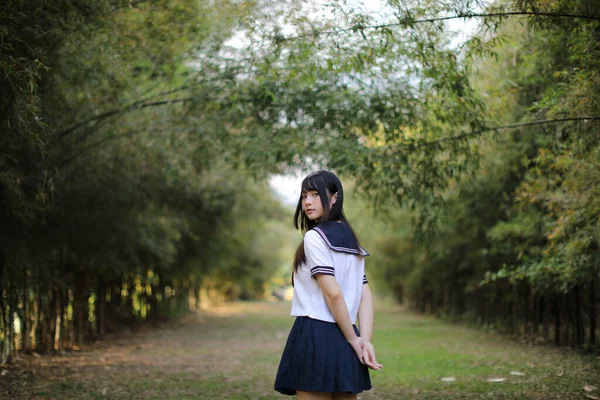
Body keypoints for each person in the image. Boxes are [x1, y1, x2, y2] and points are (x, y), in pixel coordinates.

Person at [274, 170, 382, 400]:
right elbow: (365, 296)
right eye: (304, 196)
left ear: (334, 197)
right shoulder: (352, 240)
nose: (307, 202)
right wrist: (363, 340)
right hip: (346, 332)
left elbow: (333, 294)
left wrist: (357, 340)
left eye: (315, 194)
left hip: (315, 333)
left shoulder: (315, 237)